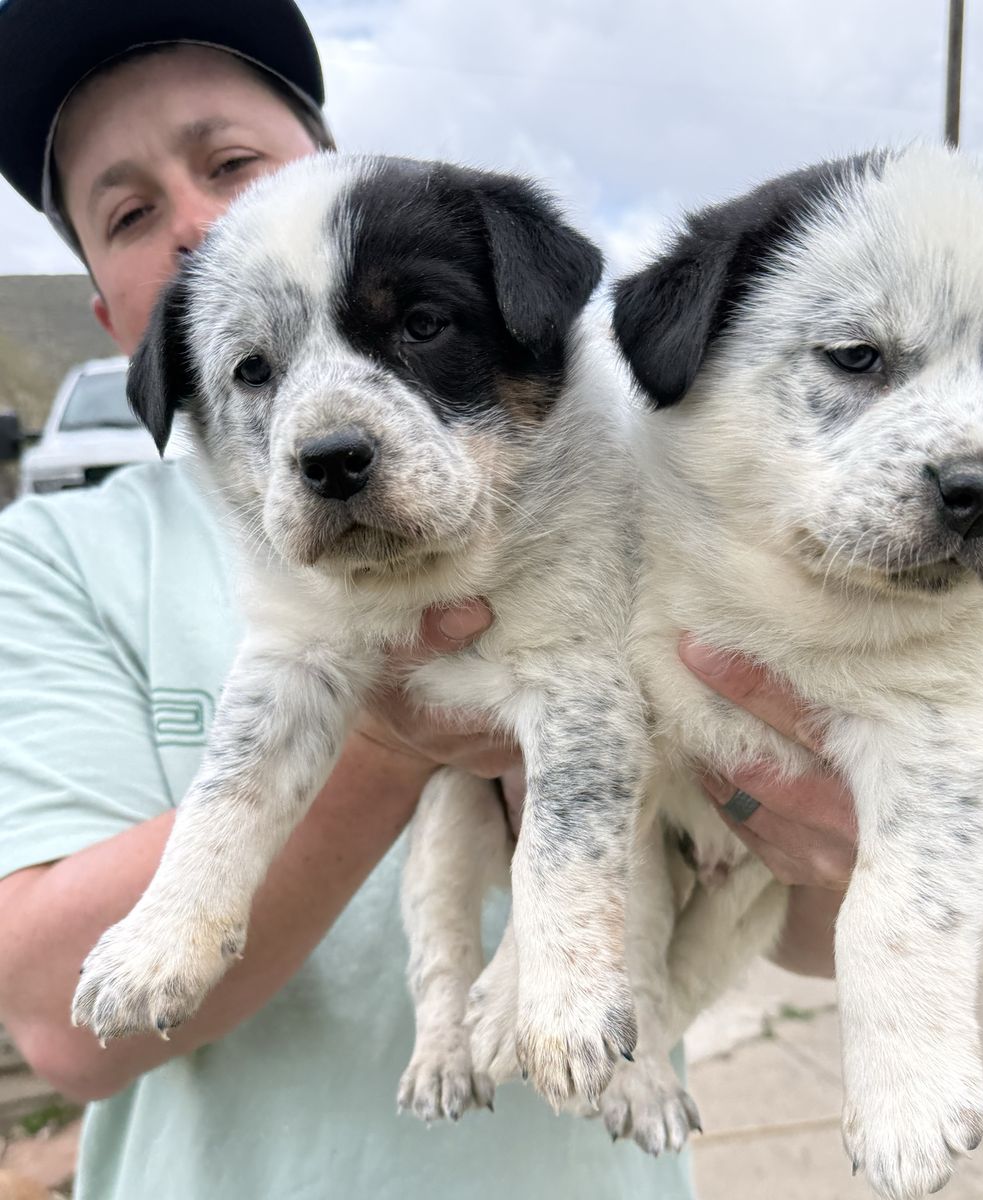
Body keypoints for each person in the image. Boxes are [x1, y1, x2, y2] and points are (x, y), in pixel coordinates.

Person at [0, 2, 857, 1196]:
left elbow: (796, 891)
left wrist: (846, 836)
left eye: (232, 162)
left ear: (328, 163)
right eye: (130, 213)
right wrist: (387, 744)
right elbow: (57, 1031)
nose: (201, 223)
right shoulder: (52, 557)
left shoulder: (626, 484)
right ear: (120, 326)